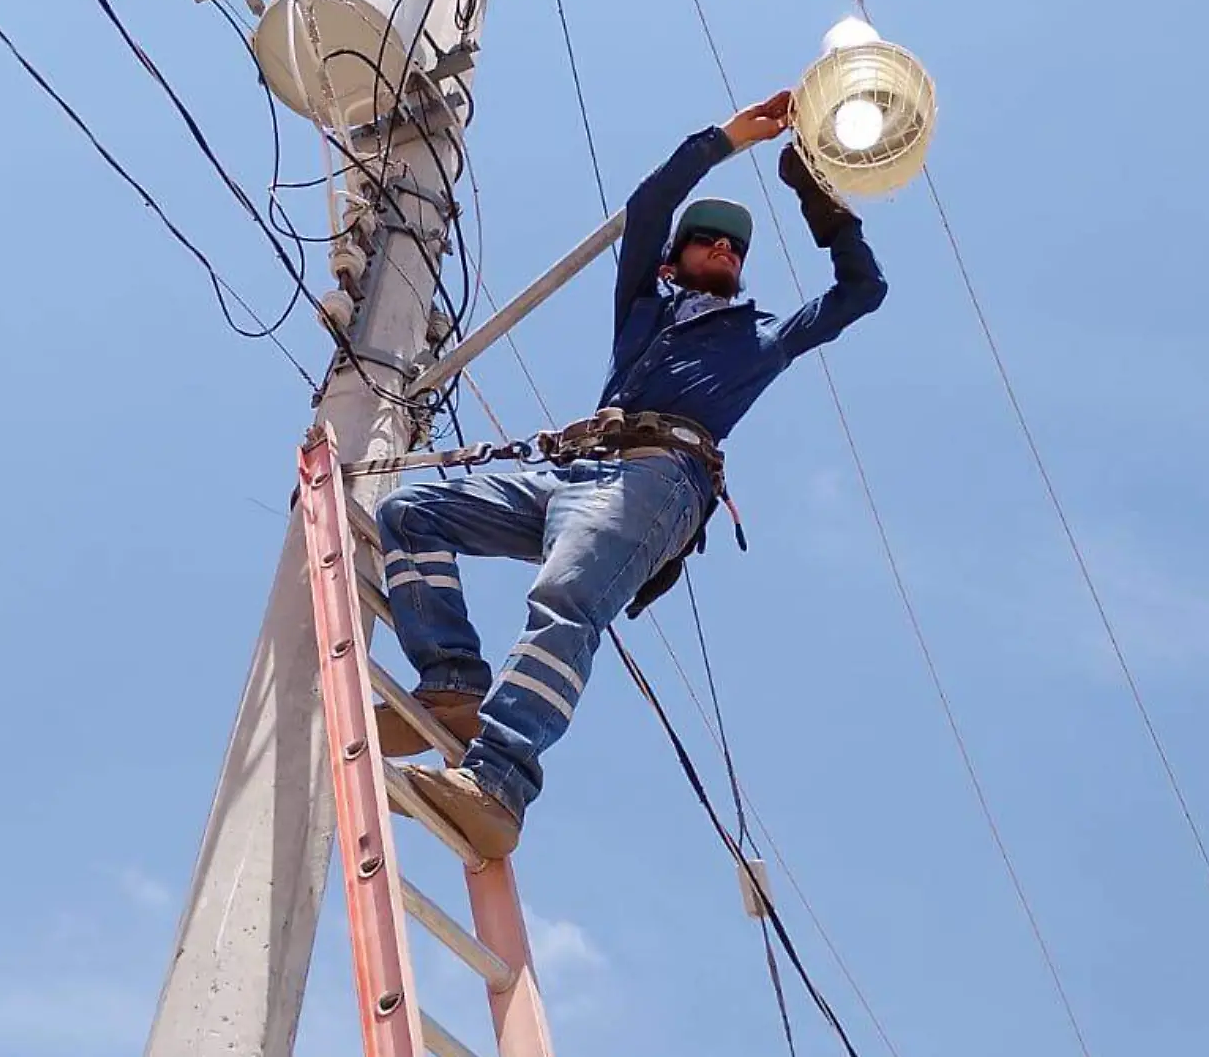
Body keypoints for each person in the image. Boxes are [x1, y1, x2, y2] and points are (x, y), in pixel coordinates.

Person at [372, 89, 887, 858]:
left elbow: (860, 293)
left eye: (734, 248)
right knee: (411, 516)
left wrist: (822, 203)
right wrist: (729, 138)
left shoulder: (764, 338)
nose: (724, 250)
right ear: (675, 259)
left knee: (567, 597)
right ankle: (452, 687)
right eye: (708, 239)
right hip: (577, 474)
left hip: (661, 480)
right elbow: (649, 205)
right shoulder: (643, 307)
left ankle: (499, 784)